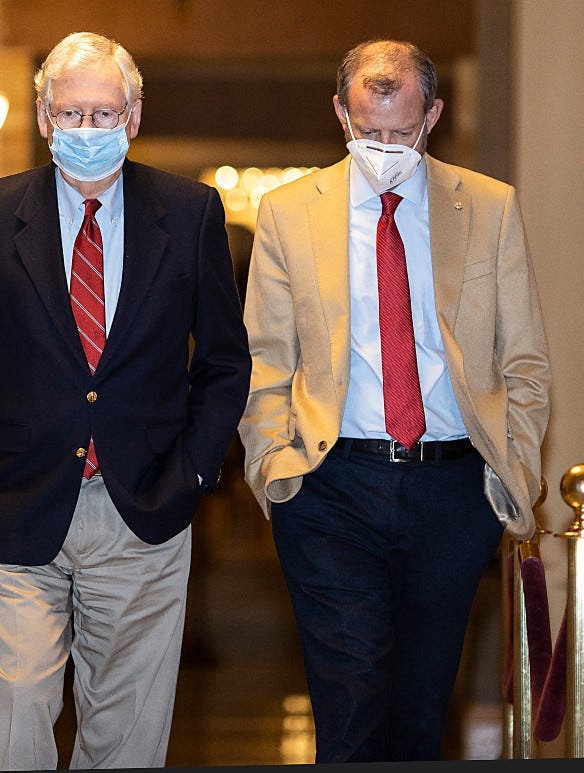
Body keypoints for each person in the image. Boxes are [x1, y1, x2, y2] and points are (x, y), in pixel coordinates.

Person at [0, 32, 251, 771]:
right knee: (14, 710)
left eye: (103, 113)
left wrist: (193, 471)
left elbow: (223, 361)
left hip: (145, 507)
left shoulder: (191, 214)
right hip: (15, 499)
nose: (86, 130)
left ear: (134, 114)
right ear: (41, 116)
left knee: (127, 728)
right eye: (70, 113)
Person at [237, 39, 552, 762]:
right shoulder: (288, 213)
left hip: (452, 487)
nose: (385, 148)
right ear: (341, 114)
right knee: (349, 710)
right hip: (329, 487)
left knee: (418, 715)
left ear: (432, 115)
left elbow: (526, 360)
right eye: (367, 132)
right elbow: (264, 359)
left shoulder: (491, 208)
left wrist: (517, 467)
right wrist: (274, 469)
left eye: (402, 132)